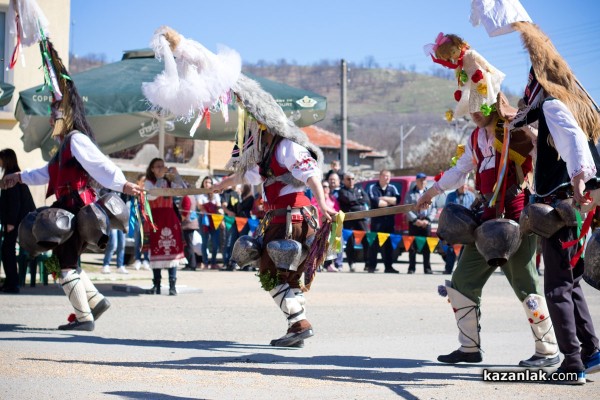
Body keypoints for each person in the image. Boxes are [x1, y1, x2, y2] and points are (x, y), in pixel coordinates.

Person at [416, 32, 559, 367]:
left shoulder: (514, 128)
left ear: (492, 101)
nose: (474, 113)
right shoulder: (476, 138)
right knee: (462, 282)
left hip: (518, 223)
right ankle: (469, 349)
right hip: (485, 223)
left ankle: (548, 350)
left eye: (479, 107)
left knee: (526, 286)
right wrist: (430, 193)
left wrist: (533, 135)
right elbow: (458, 173)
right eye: (470, 109)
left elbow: (545, 152)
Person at [1, 39, 141, 330]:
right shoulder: (64, 146)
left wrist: (123, 184)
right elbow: (46, 173)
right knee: (64, 259)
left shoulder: (76, 140)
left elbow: (99, 164)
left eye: (56, 111)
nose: (52, 116)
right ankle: (96, 301)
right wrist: (18, 177)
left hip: (76, 207)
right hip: (66, 206)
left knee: (65, 263)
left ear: (67, 114)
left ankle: (83, 317)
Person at [507, 21, 600, 383]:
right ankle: (590, 350)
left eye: (530, 80)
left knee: (557, 285)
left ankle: (572, 363)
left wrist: (578, 182)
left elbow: (575, 145)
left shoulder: (552, 106)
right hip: (569, 205)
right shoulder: (570, 104)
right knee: (571, 279)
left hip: (559, 206)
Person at [144, 158, 186, 296]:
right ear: (152, 169)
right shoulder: (148, 183)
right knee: (157, 250)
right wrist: (162, 178)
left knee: (172, 251)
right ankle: (156, 284)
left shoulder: (169, 181)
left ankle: (172, 285)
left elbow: (182, 190)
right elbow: (151, 196)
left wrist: (176, 176)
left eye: (163, 166)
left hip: (169, 218)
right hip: (156, 218)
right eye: (158, 166)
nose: (162, 168)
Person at [0, 149, 36, 293]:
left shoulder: (11, 176)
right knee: (6, 250)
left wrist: (10, 222)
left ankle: (12, 283)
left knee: (7, 250)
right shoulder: (14, 174)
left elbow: (15, 202)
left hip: (15, 221)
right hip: (16, 220)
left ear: (7, 160)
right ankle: (10, 282)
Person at [367, 169, 401, 273]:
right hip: (377, 222)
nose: (387, 178)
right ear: (380, 176)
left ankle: (388, 267)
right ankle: (372, 266)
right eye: (385, 176)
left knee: (389, 246)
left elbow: (397, 200)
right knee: (374, 245)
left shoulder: (392, 188)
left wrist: (384, 198)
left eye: (389, 176)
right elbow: (377, 203)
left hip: (389, 221)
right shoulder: (373, 187)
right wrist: (390, 201)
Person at [337, 172, 369, 273]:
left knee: (367, 240)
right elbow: (348, 200)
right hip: (349, 220)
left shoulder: (359, 189)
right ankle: (352, 263)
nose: (351, 181)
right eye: (348, 179)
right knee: (350, 242)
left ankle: (368, 263)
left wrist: (355, 203)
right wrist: (359, 202)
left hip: (361, 219)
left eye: (352, 178)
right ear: (343, 180)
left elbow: (366, 200)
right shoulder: (342, 191)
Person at [406, 173, 436, 274]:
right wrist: (415, 220)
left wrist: (428, 220)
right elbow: (407, 208)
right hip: (414, 223)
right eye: (421, 180)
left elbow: (434, 208)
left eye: (424, 180)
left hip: (426, 223)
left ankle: (427, 268)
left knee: (426, 247)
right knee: (412, 247)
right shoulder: (410, 193)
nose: (423, 182)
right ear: (416, 181)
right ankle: (411, 268)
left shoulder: (430, 193)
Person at [442, 183, 474, 274]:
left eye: (465, 185)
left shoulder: (471, 196)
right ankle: (448, 269)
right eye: (462, 185)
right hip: (453, 227)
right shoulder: (450, 196)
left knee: (464, 249)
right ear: (458, 186)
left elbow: (473, 210)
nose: (463, 187)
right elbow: (447, 209)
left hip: (466, 227)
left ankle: (460, 270)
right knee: (451, 248)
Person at [222, 184, 255, 271]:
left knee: (243, 243)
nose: (240, 189)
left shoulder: (250, 198)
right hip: (237, 221)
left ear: (246, 188)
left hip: (244, 222)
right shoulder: (241, 198)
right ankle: (232, 263)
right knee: (235, 242)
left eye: (242, 188)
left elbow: (242, 209)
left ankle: (245, 264)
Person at [311, 179, 340, 272]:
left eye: (327, 186)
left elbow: (337, 211)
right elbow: (313, 212)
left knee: (331, 245)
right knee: (319, 246)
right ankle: (318, 265)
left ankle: (330, 264)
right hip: (319, 226)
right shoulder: (315, 199)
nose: (325, 188)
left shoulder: (333, 199)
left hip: (332, 226)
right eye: (323, 186)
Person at [196, 176, 222, 270]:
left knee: (215, 242)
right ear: (203, 183)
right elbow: (199, 206)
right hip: (204, 219)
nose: (207, 184)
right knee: (205, 241)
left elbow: (219, 206)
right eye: (206, 182)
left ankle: (213, 262)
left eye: (209, 182)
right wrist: (207, 209)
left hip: (215, 219)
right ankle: (205, 262)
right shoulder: (200, 194)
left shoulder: (216, 194)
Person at [101, 190, 129, 275]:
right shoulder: (106, 188)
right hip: (111, 219)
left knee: (122, 244)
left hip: (121, 219)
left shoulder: (122, 190)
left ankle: (120, 265)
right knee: (113, 244)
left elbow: (125, 203)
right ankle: (106, 265)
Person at [131, 174, 150, 271]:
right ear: (138, 182)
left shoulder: (148, 193)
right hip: (137, 219)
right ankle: (137, 259)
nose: (144, 183)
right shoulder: (135, 193)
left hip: (146, 220)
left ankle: (146, 260)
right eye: (143, 181)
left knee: (146, 240)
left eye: (145, 181)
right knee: (138, 240)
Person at [221, 178, 241, 270]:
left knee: (234, 242)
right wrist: (229, 212)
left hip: (238, 220)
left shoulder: (237, 193)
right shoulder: (226, 193)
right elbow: (224, 206)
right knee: (228, 242)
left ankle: (232, 263)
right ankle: (226, 262)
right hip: (229, 220)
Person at [180, 194, 199, 271]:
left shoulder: (186, 197)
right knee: (188, 245)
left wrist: (180, 220)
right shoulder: (193, 196)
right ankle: (190, 264)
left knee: (188, 245)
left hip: (187, 224)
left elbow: (185, 211)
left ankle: (191, 264)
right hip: (191, 223)